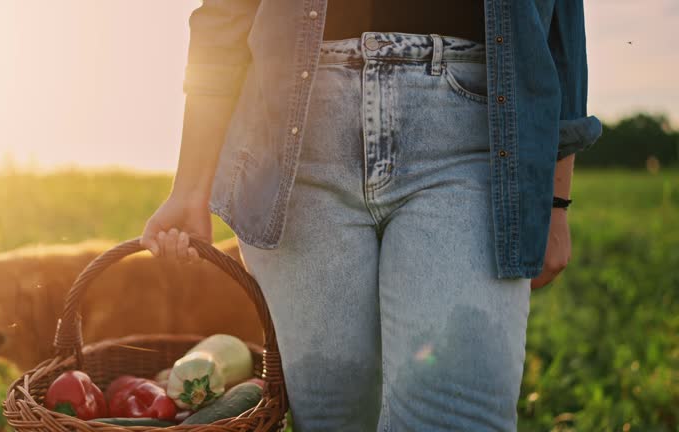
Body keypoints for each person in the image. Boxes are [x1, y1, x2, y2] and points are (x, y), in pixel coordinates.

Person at [141, 0, 602, 430]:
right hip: (297, 141)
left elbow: (561, 18)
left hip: (471, 135)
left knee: (458, 417)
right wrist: (189, 187)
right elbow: (226, 12)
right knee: (333, 421)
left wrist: (556, 199)